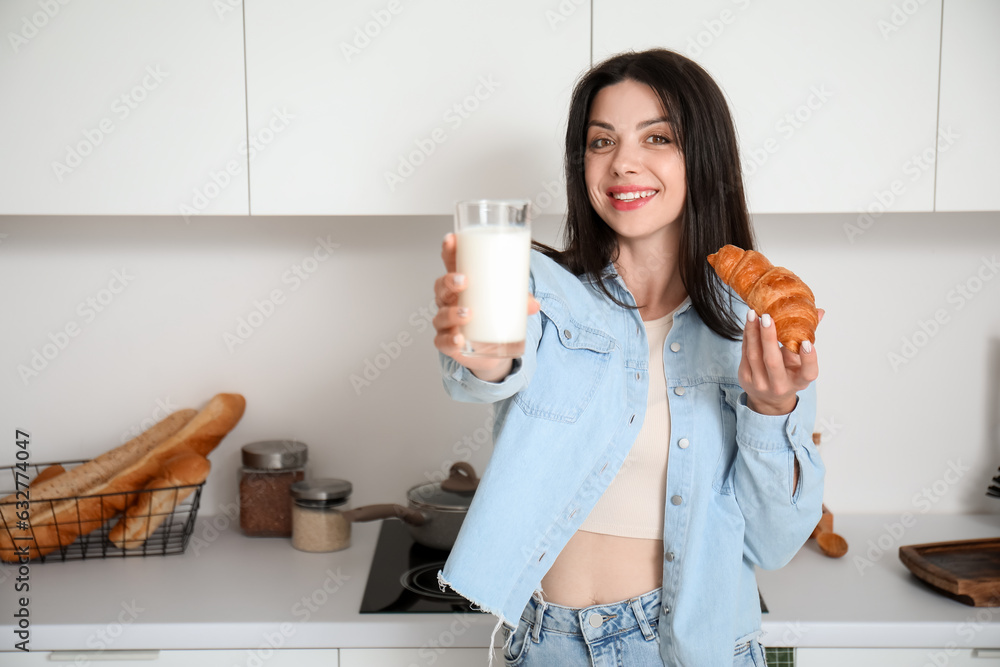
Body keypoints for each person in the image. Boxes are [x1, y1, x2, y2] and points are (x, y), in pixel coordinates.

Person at [431, 48, 826, 667]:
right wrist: (482, 358)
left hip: (685, 647)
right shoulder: (536, 288)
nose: (623, 164)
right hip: (543, 644)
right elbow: (486, 368)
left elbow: (775, 542)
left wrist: (773, 408)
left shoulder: (755, 322)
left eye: (658, 138)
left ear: (703, 156)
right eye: (601, 141)